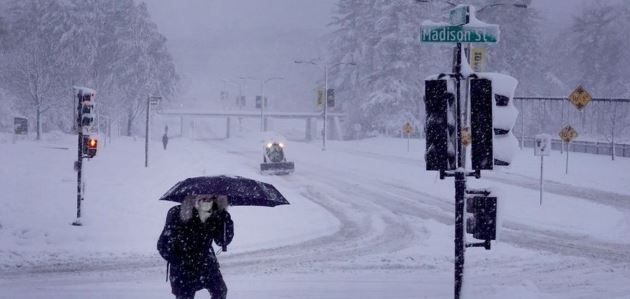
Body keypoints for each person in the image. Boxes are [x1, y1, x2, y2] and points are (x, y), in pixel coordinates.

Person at [158, 194, 234, 299]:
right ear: (194, 197)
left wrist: (226, 221)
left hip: (206, 263)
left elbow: (222, 241)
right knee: (184, 296)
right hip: (183, 268)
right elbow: (163, 245)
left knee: (220, 291)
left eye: (211, 197)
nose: (207, 201)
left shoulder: (216, 214)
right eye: (203, 197)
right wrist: (180, 261)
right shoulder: (176, 212)